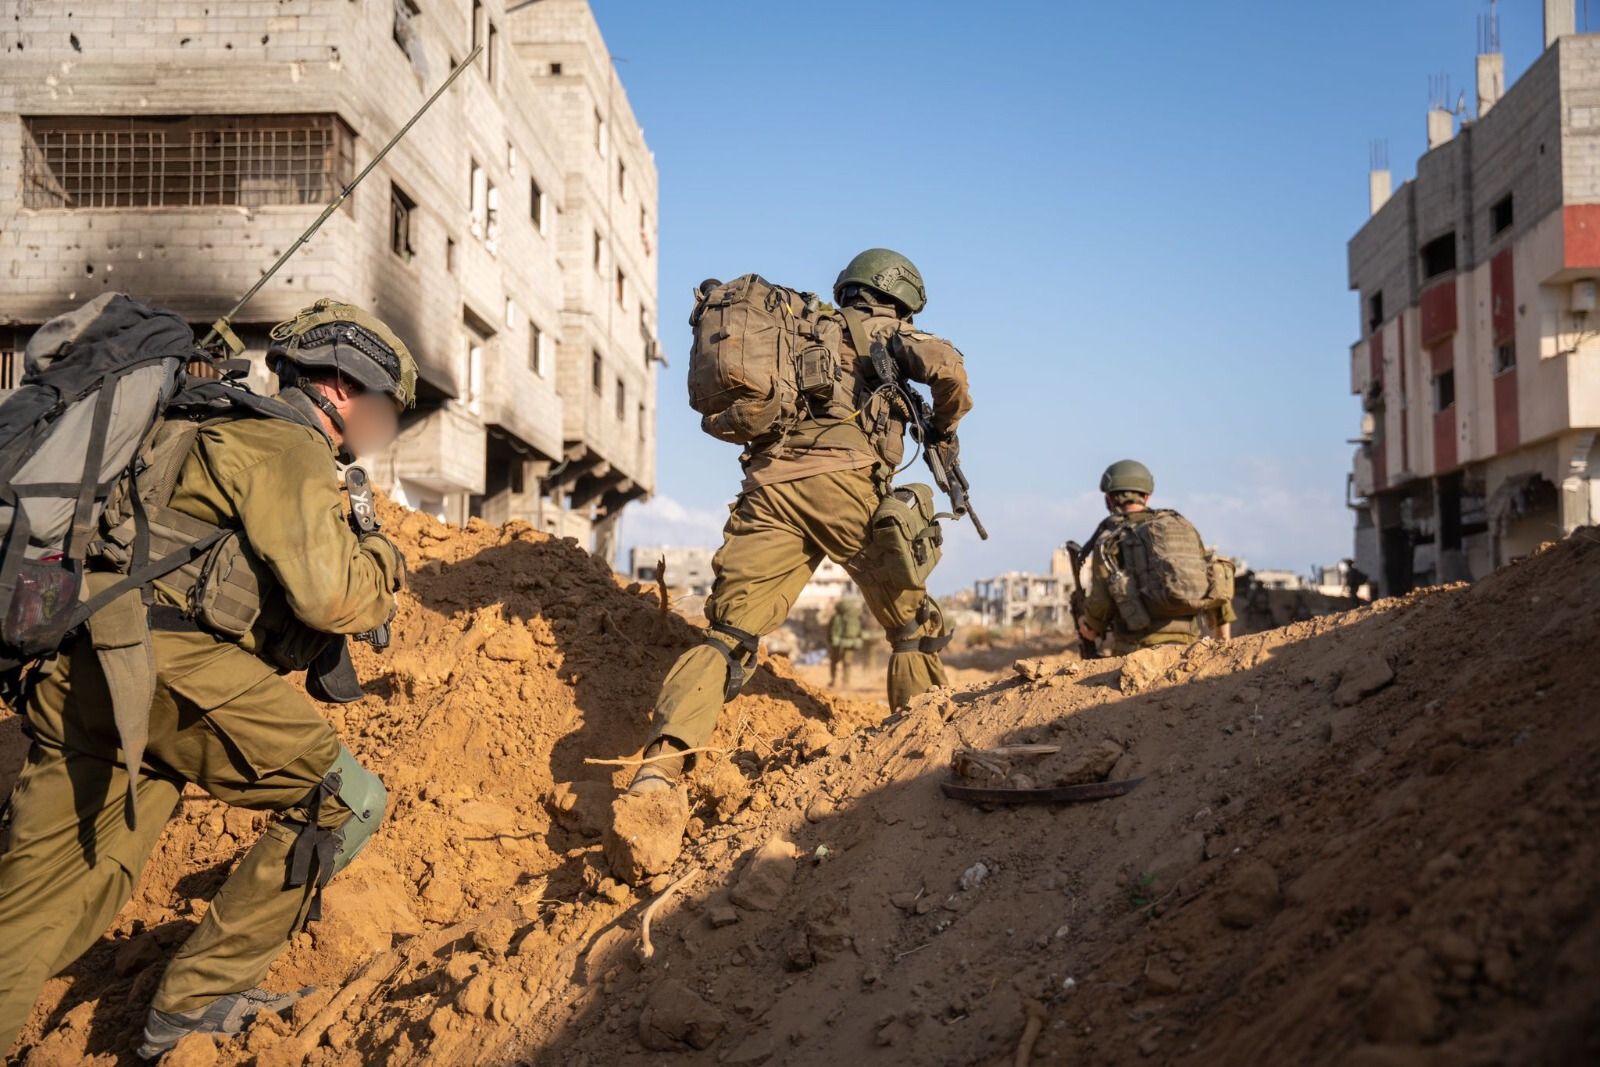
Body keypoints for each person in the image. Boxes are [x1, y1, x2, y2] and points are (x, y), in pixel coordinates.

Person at [0, 300, 414, 1059]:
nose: (385, 429)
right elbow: (334, 596)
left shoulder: (192, 419)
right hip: (164, 671)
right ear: (349, 390)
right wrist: (383, 557)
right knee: (344, 798)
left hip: (78, 663)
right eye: (387, 411)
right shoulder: (288, 448)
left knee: (37, 911)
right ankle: (191, 1007)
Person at [631, 249, 973, 793]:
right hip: (844, 486)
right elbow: (949, 372)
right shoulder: (885, 333)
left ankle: (660, 764)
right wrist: (946, 426)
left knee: (729, 633)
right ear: (902, 297)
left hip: (768, 488)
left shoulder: (803, 329)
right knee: (912, 626)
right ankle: (924, 761)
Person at [1077, 459, 1235, 655]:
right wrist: (1223, 651)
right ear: (1146, 496)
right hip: (1189, 650)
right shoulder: (1181, 527)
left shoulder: (1109, 540)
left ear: (1109, 499)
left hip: (1136, 651)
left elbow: (1101, 603)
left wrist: (1088, 625)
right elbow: (1216, 586)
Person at [827, 597, 865, 687]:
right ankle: (846, 682)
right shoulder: (855, 617)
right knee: (847, 662)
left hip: (837, 642)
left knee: (834, 661)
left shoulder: (836, 617)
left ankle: (833, 680)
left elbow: (830, 630)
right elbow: (860, 630)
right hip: (850, 642)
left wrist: (830, 641)